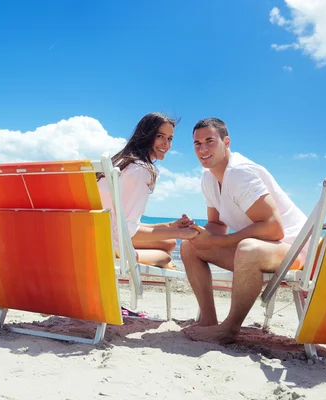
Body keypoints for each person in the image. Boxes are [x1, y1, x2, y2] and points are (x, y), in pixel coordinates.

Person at [182, 117, 307, 344]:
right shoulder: (208, 178)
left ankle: (229, 328)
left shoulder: (240, 173)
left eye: (209, 141)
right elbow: (218, 224)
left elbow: (274, 228)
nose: (203, 149)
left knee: (247, 249)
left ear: (226, 142)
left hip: (294, 250)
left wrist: (220, 242)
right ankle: (209, 321)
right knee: (189, 245)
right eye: (197, 144)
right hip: (265, 248)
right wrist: (198, 232)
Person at [97, 112, 200, 268]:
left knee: (170, 242)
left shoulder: (120, 162)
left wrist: (170, 226)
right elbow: (124, 230)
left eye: (170, 138)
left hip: (97, 236)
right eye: (160, 136)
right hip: (110, 245)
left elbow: (122, 222)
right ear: (146, 135)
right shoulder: (140, 170)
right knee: (165, 256)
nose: (167, 144)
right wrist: (181, 234)